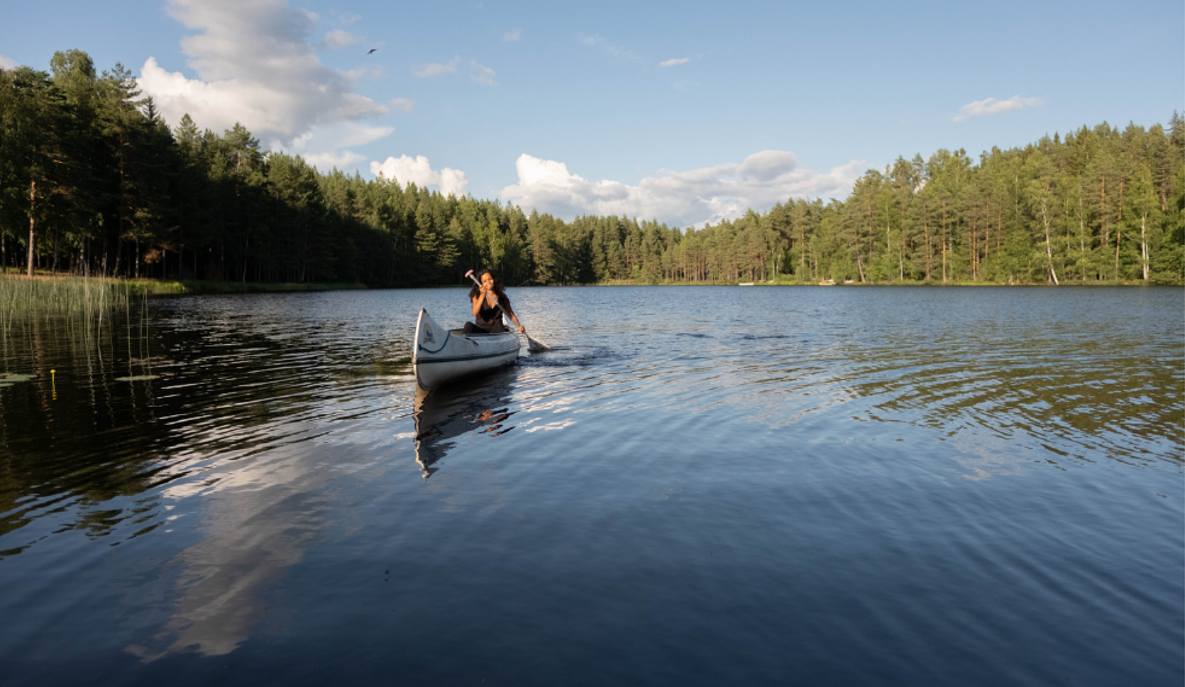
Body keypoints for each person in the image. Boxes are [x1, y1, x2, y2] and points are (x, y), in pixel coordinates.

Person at [465, 269, 526, 335]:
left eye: (490, 279)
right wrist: (482, 295)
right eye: (484, 281)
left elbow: (511, 315)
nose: (488, 282)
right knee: (468, 325)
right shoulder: (477, 296)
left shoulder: (502, 297)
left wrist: (519, 326)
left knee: (499, 324)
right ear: (481, 284)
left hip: (497, 330)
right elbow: (474, 313)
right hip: (480, 330)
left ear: (494, 279)